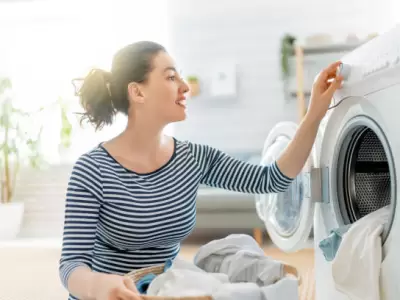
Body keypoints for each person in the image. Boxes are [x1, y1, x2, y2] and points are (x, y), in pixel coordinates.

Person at [59, 41, 343, 300]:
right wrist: (100, 286)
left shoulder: (192, 158)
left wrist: (315, 111)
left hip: (163, 293)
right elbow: (71, 266)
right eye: (171, 77)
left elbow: (272, 179)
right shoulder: (92, 170)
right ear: (137, 91)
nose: (185, 86)